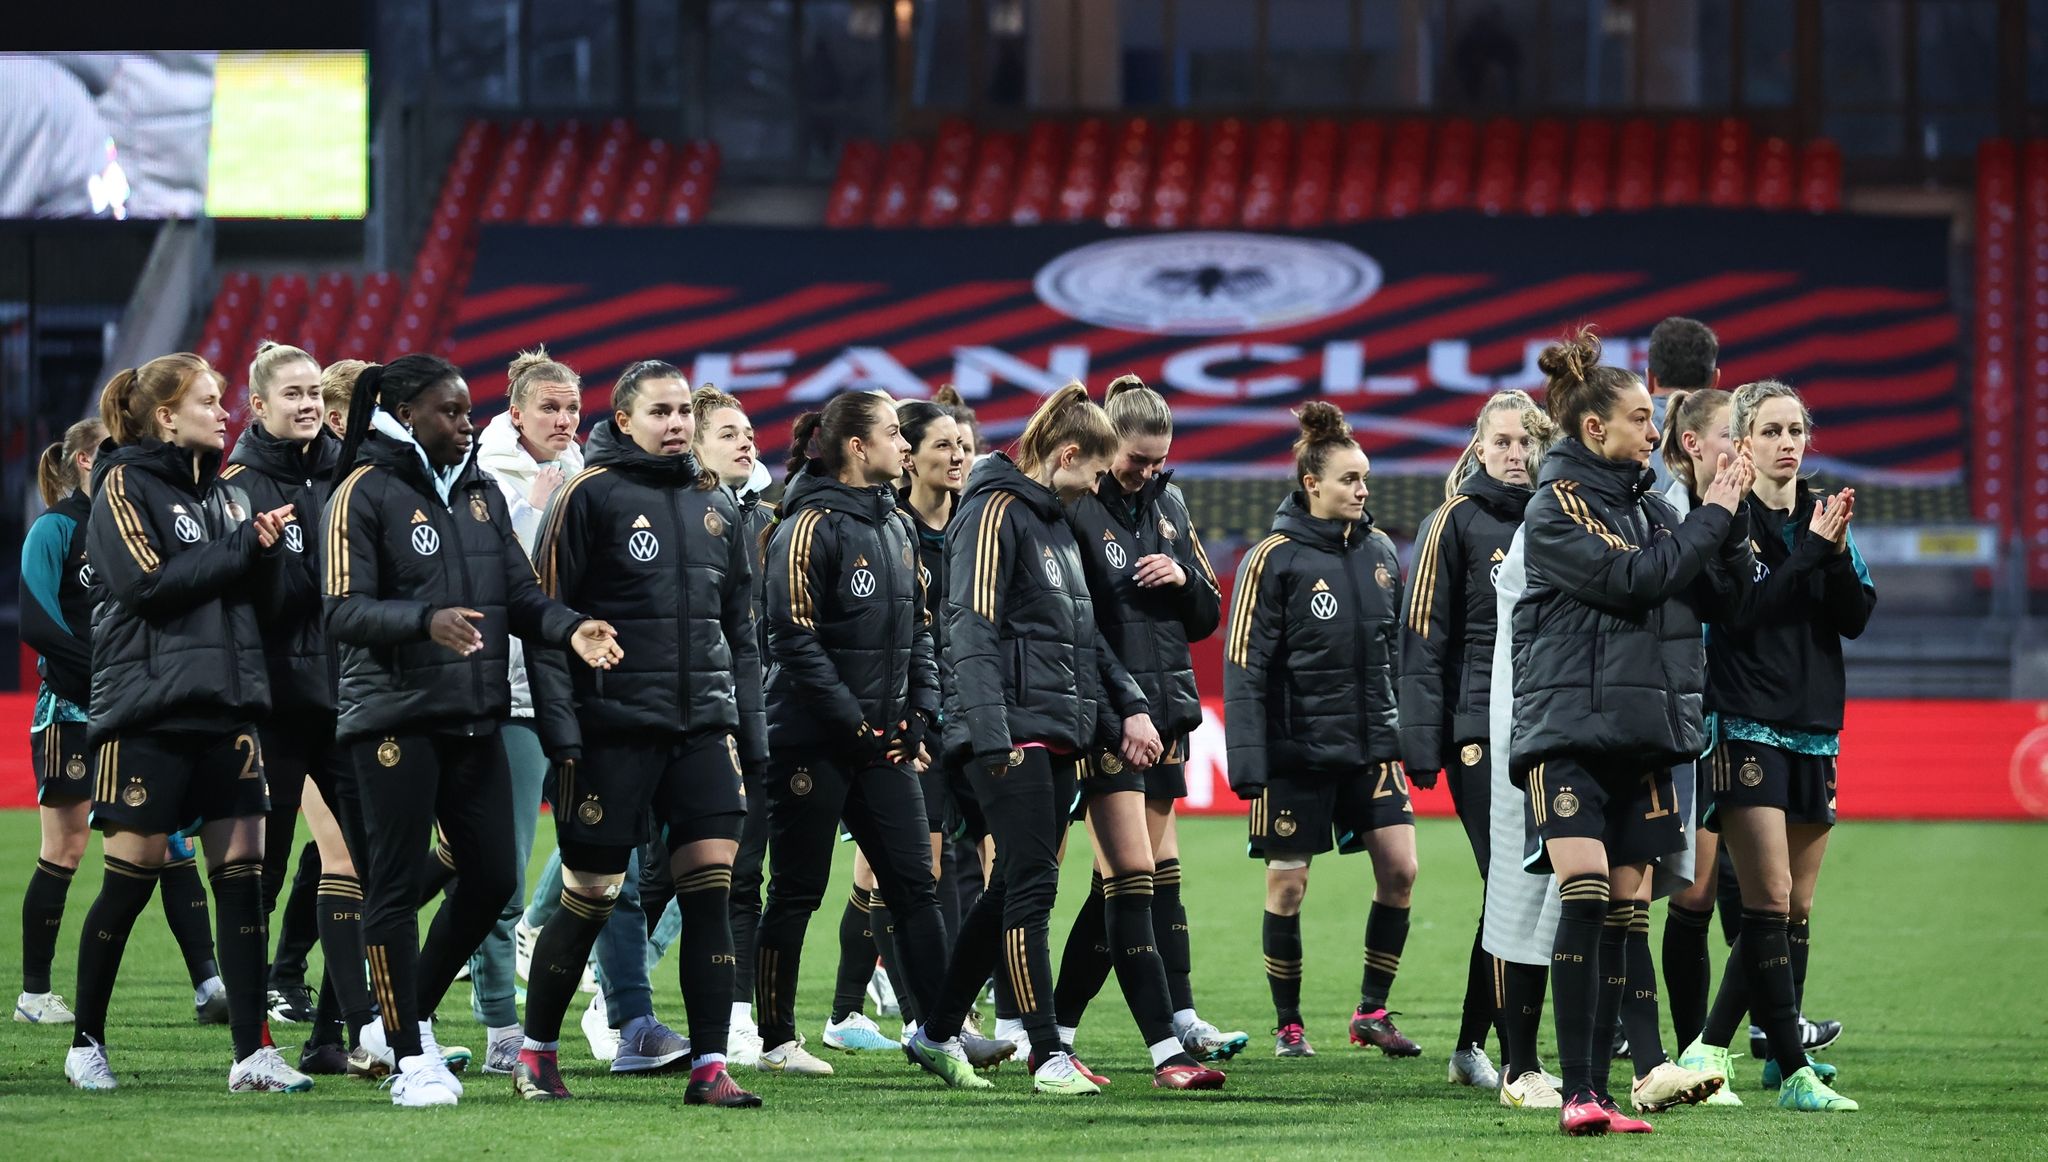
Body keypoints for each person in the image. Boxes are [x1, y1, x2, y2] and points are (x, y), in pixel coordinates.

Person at [324, 353, 622, 1107]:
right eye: (451, 413)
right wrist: (426, 621)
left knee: (491, 878)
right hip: (391, 716)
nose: (466, 424)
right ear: (404, 413)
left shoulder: (480, 493)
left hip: (474, 715)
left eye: (466, 411)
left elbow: (519, 593)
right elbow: (341, 611)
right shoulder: (361, 490)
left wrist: (571, 629)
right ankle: (406, 1059)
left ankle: (409, 1019)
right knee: (391, 888)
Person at [911, 382, 1221, 1095]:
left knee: (1008, 895)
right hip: (1013, 732)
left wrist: (1126, 712)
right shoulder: (992, 512)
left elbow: (1085, 643)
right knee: (1031, 886)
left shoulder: (1051, 519)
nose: (1095, 490)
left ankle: (935, 1032)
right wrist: (991, 739)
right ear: (1069, 453)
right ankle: (1047, 1052)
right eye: (1092, 474)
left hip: (1059, 727)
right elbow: (968, 627)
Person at [1510, 327, 1740, 1133]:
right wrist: (1708, 513)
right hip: (1567, 731)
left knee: (1627, 910)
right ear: (1593, 430)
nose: (1656, 430)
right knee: (1586, 892)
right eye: (1643, 418)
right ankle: (1578, 1090)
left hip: (1643, 735)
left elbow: (1709, 595)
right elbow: (1636, 582)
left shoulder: (1648, 504)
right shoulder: (1557, 504)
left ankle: (1622, 1085)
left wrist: (1728, 514)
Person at [63, 353, 309, 1093]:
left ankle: (252, 1056)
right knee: (131, 881)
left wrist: (265, 556)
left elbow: (260, 607)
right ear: (166, 416)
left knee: (241, 879)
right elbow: (147, 587)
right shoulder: (122, 485)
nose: (223, 409)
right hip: (153, 711)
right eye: (208, 400)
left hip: (230, 708)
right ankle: (85, 1042)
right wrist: (244, 548)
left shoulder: (230, 498)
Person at [520, 364, 765, 1107]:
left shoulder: (715, 499)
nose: (678, 424)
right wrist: (562, 733)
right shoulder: (586, 495)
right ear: (624, 421)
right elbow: (543, 616)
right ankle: (537, 1053)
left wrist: (750, 739)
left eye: (685, 411)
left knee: (710, 894)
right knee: (591, 896)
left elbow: (741, 634)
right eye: (660, 412)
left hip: (704, 730)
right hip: (612, 732)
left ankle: (710, 1067)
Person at [756, 391, 1013, 1085]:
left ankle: (937, 1033)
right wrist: (856, 724)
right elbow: (793, 640)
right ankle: (776, 1036)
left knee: (915, 888)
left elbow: (921, 633)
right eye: (894, 434)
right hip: (812, 740)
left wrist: (919, 714)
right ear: (856, 448)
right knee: (797, 890)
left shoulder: (896, 527)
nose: (905, 445)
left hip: (886, 746)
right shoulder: (805, 525)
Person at [1675, 381, 1871, 1113]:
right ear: (1745, 442)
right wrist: (1810, 554)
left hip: (1816, 725)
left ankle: (1709, 1047)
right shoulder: (1724, 519)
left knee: (1791, 911)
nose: (1788, 443)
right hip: (1746, 720)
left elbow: (1854, 619)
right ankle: (1792, 1072)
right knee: (1770, 897)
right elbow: (1744, 614)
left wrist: (1839, 554)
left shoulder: (1825, 513)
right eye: (1772, 431)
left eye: (1797, 430)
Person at [1051, 375, 1246, 1066]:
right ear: (1106, 448)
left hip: (1165, 711)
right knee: (1127, 876)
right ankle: (1101, 1034)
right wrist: (1121, 704)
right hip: (1110, 713)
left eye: (1159, 460)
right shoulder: (1076, 508)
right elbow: (1074, 621)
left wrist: (1185, 580)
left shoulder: (1169, 504)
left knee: (1151, 873)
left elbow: (1206, 615)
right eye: (1137, 459)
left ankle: (1128, 1025)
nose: (1148, 472)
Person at [1224, 402, 1419, 1063]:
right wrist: (1249, 762)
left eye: (1365, 479)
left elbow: (1400, 655)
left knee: (1402, 870)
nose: (1362, 491)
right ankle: (1289, 1026)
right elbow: (1244, 664)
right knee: (1287, 887)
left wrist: (1408, 733)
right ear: (1312, 483)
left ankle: (1372, 1011)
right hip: (1296, 753)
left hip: (1371, 748)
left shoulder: (1382, 552)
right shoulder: (1271, 560)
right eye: (1348, 480)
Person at [18, 417, 227, 1031]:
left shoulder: (135, 521)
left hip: (131, 709)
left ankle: (210, 984)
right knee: (66, 847)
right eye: (110, 451)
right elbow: (38, 624)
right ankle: (34, 992)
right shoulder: (55, 528)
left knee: (167, 840)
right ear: (86, 460)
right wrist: (107, 671)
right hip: (72, 708)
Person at [220, 341, 375, 1076]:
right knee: (263, 869)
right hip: (275, 707)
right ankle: (254, 1046)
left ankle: (333, 1036)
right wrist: (265, 557)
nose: (309, 403)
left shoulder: (351, 474)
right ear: (259, 407)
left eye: (315, 392)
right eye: (293, 394)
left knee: (370, 861)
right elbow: (246, 609)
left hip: (347, 701)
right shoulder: (239, 488)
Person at [1399, 390, 1556, 1101]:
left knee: (1522, 891)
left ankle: (1471, 1046)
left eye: (1526, 442)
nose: (1515, 455)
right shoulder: (1455, 520)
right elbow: (1425, 634)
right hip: (1477, 731)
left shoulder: (1559, 517)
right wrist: (1421, 743)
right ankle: (1514, 1056)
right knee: (1509, 887)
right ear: (1478, 447)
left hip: (1550, 724)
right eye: (1502, 442)